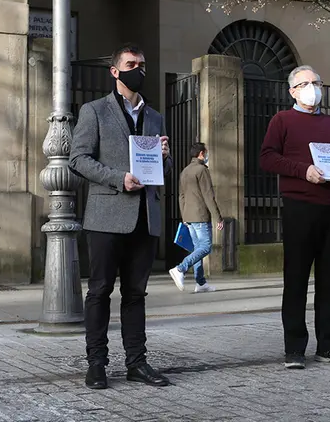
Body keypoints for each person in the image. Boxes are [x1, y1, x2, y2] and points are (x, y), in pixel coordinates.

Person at [69, 43, 173, 390]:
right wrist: (118, 178)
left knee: (136, 294)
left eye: (142, 64)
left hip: (145, 216)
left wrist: (165, 157)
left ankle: (137, 363)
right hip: (106, 215)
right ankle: (96, 363)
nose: (138, 69)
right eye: (131, 64)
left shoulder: (155, 116)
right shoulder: (94, 111)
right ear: (115, 71)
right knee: (99, 291)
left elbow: (161, 172)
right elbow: (78, 159)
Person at [259, 65, 330, 370]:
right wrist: (302, 171)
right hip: (300, 207)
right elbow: (266, 157)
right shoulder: (282, 120)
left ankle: (329, 345)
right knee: (297, 279)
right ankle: (294, 348)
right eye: (304, 83)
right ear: (292, 91)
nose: (311, 87)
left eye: (316, 82)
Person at [168, 142, 223, 293]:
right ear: (201, 153)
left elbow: (181, 196)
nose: (207, 155)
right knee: (205, 247)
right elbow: (208, 196)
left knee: (197, 248)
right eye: (206, 152)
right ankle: (180, 268)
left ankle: (200, 282)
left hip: (189, 216)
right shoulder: (202, 170)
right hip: (200, 215)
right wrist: (218, 217)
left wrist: (184, 215)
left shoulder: (185, 171)